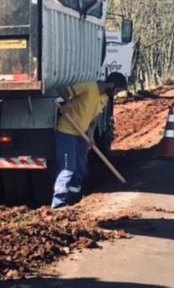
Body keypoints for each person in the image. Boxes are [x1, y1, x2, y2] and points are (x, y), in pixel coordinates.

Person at [52, 72, 127, 208]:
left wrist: (91, 133)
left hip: (82, 136)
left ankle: (75, 200)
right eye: (117, 90)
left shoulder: (104, 98)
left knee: (81, 168)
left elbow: (95, 116)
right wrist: (67, 103)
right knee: (67, 169)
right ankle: (58, 204)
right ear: (112, 84)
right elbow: (64, 91)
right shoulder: (88, 87)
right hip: (67, 132)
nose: (116, 94)